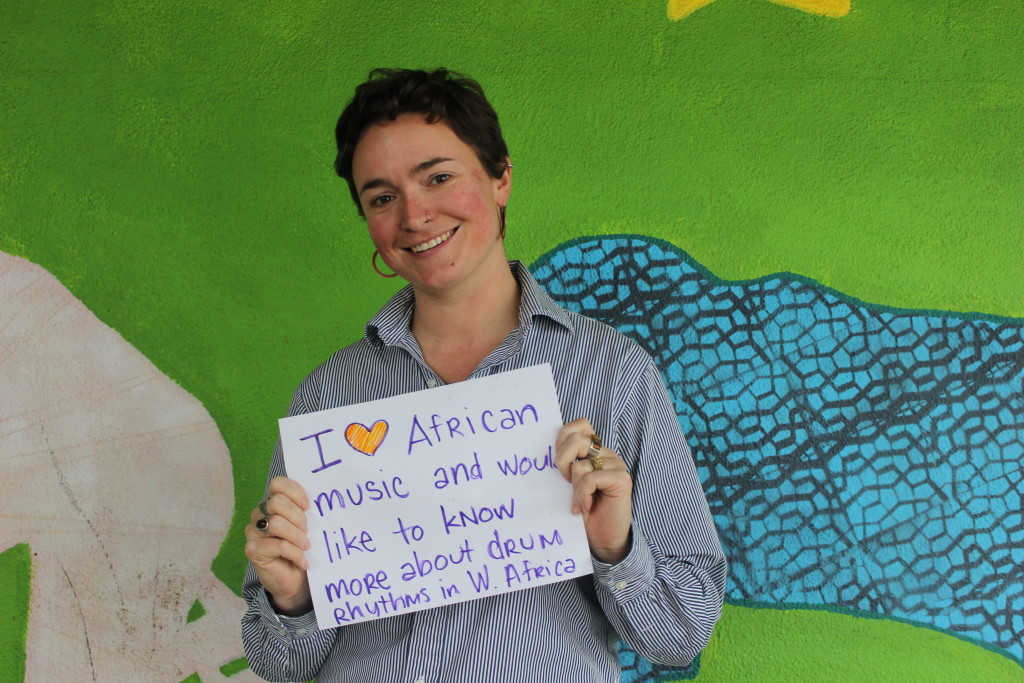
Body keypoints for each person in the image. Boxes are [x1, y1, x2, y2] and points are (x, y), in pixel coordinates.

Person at [241, 68, 726, 683]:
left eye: (438, 177)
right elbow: (279, 666)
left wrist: (614, 546)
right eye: (382, 198)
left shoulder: (610, 371)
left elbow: (681, 634)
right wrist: (291, 598)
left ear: (501, 179)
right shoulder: (328, 398)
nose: (415, 214)